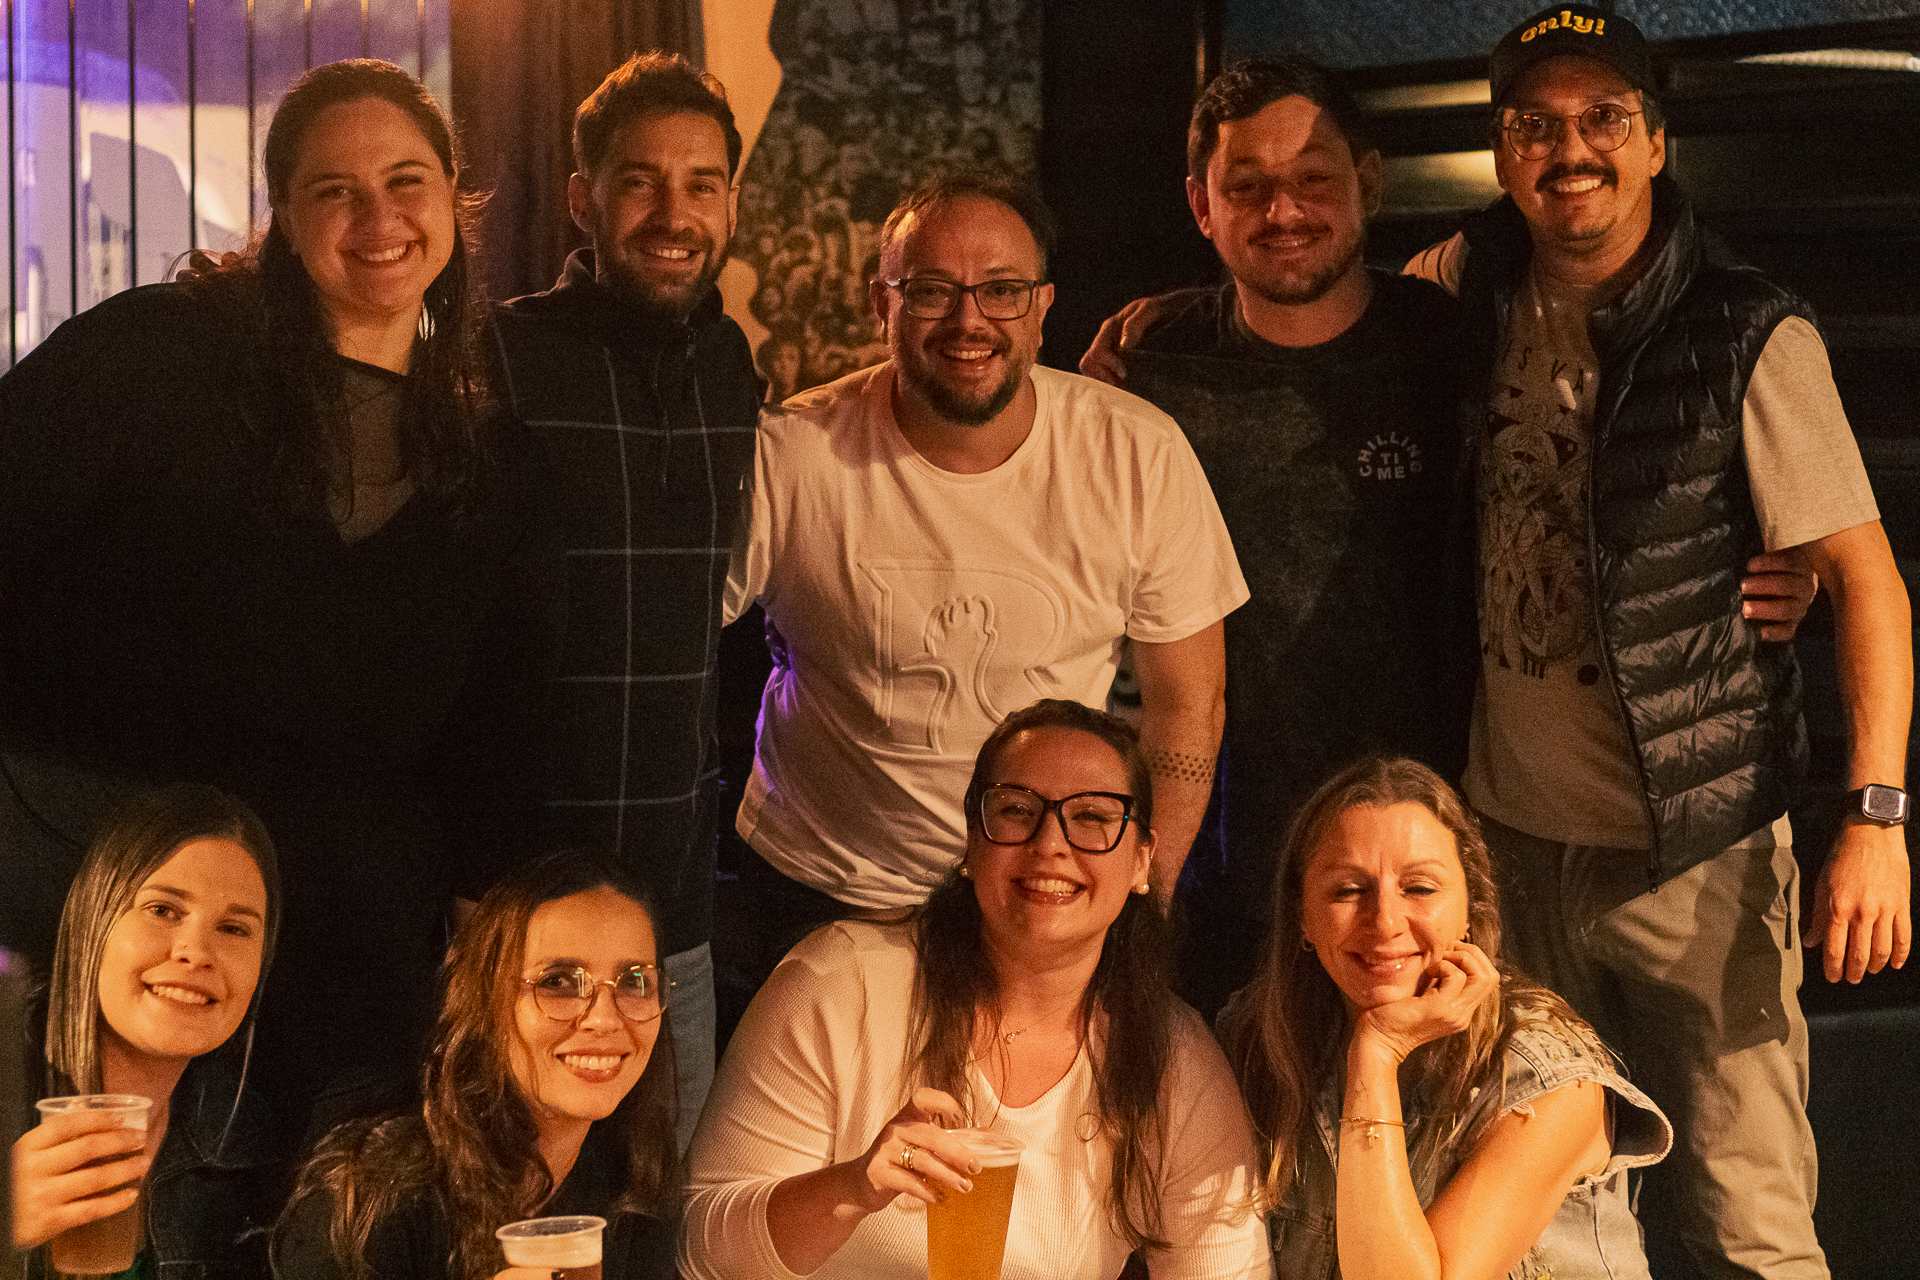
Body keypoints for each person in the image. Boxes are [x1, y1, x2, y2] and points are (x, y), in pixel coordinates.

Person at [1074, 57, 1815, 1019]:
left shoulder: (1458, 338)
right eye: (1246, 186)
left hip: (1439, 854)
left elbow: (1592, 481)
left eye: (1313, 179)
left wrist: (1762, 565)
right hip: (1223, 857)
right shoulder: (1148, 366)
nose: (1283, 211)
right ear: (1199, 205)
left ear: (1369, 182)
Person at [1400, 7, 1912, 1275]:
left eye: (1602, 119)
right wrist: (1159, 326)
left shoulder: (1746, 328)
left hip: (1698, 853)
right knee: (1544, 1225)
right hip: (1508, 852)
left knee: (1748, 1226)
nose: (1568, 148)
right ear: (1504, 151)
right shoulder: (1465, 288)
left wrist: (1877, 818)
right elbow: (1316, 309)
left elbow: (1868, 583)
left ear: (1655, 140)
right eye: (1535, 124)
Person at [0, 60, 562, 1123]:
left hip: (344, 976)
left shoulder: (498, 470)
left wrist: (486, 995)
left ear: (453, 199)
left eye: (406, 182)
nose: (378, 219)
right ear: (286, 219)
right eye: (335, 190)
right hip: (107, 925)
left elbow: (496, 758)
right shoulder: (156, 354)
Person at [723, 170, 1248, 980]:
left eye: (1002, 290)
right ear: (881, 304)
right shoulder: (793, 453)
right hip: (818, 888)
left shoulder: (1136, 453)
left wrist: (1139, 898)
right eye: (932, 290)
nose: (969, 320)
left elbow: (1188, 704)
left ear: (1042, 308)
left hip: (1041, 899)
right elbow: (662, 635)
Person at [681, 699, 1271, 1280]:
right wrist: (851, 1187)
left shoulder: (1172, 1058)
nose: (1050, 843)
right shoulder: (843, 984)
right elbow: (701, 1250)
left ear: (1142, 862)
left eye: (1092, 816)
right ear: (971, 843)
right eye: (1016, 810)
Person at [490, 50, 761, 1152]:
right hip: (514, 911)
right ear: (581, 199)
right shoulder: (499, 356)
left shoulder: (731, 366)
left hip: (672, 920)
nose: (673, 214)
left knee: (667, 1209)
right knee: (505, 1201)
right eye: (640, 181)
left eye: (702, 185)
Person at [1222, 756, 1671, 1280]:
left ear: (1470, 907)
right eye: (1348, 890)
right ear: (1302, 915)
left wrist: (1377, 1053)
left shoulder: (1549, 1079)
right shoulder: (1257, 1038)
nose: (1385, 922)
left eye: (1419, 889)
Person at [273, 851, 679, 1280]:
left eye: (635, 982)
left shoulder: (634, 1164)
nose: (604, 1019)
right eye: (557, 982)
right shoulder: (375, 1195)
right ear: (485, 1000)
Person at [11, 785, 284, 1278]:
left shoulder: (248, 1147)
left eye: (234, 929)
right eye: (162, 910)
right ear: (93, 920)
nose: (196, 952)